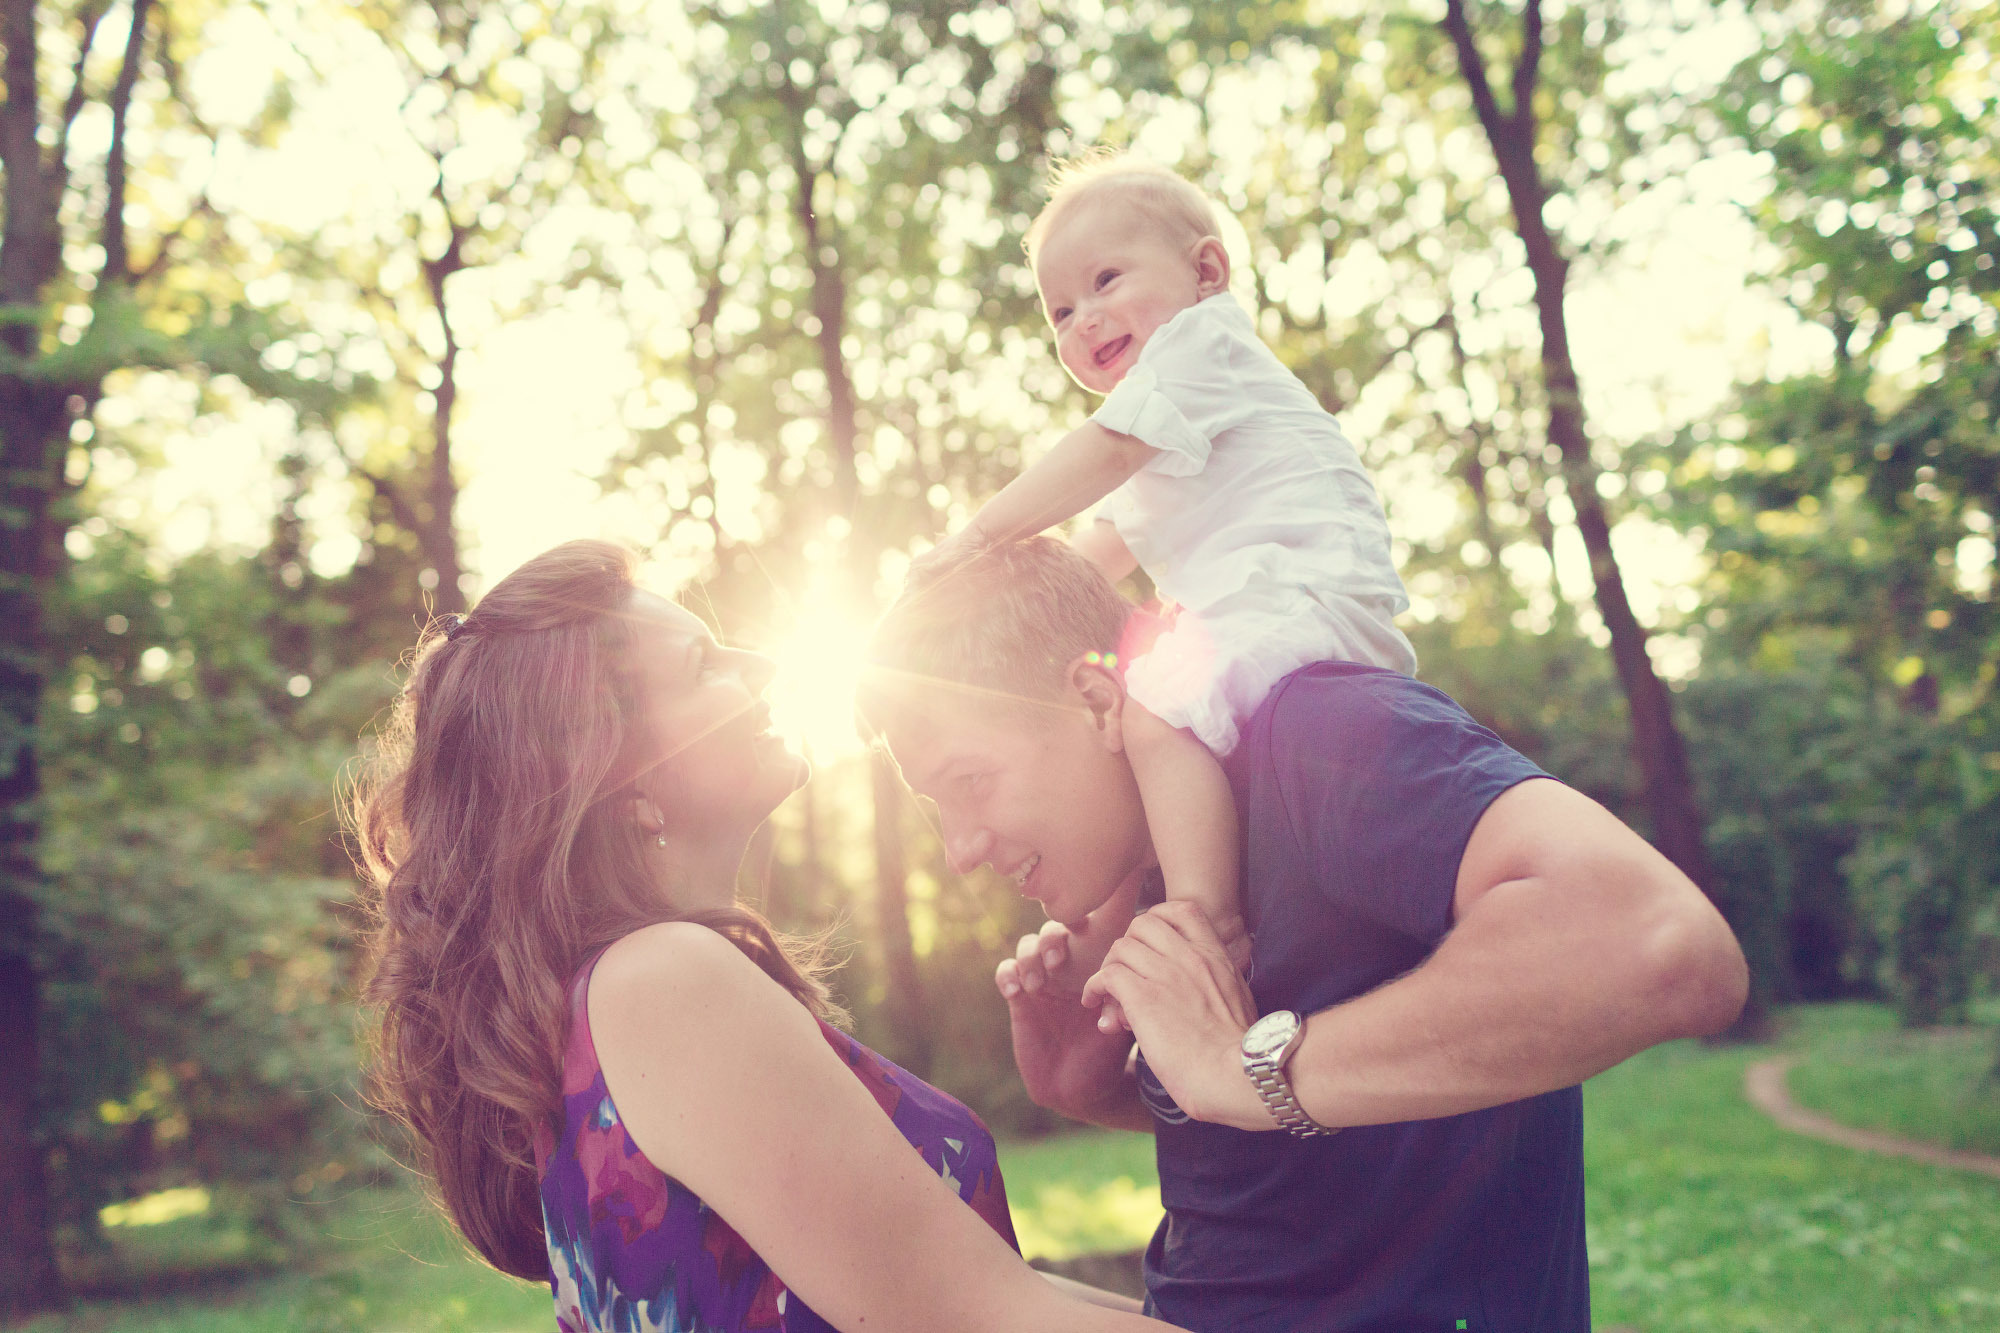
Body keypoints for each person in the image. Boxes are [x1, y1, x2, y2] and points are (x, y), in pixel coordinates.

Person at [863, 537, 1750, 1333]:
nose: (960, 853)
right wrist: (1101, 1084)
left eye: (970, 781)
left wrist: (1244, 1066)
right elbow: (1339, 1143)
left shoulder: (1313, 734)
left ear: (1098, 700)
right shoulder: (1162, 872)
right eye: (936, 812)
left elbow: (1657, 941)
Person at [352, 540, 1160, 1333]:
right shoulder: (662, 983)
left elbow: (988, 1294)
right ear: (613, 769)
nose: (763, 667)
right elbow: (989, 1320)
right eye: (707, 665)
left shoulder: (617, 997)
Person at [918, 154, 1417, 978]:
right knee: (1137, 713)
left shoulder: (1200, 347)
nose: (1083, 319)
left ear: (1206, 271)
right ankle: (1180, 909)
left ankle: (1202, 927)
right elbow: (1088, 566)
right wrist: (995, 617)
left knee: (1155, 712)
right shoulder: (1165, 423)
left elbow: (1105, 452)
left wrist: (974, 542)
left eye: (1107, 280)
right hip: (1268, 597)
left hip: (1304, 585)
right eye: (1061, 310)